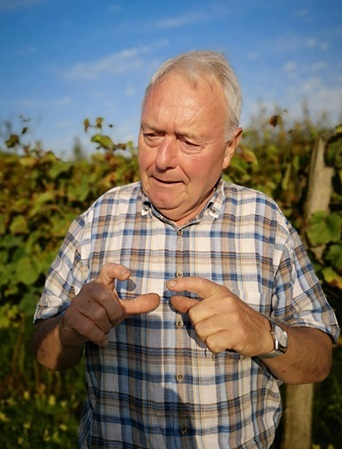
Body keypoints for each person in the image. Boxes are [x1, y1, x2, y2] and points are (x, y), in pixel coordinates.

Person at [31, 50, 340, 449]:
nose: (162, 160)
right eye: (152, 135)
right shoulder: (98, 219)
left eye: (188, 141)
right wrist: (70, 328)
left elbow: (320, 359)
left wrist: (264, 335)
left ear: (230, 147)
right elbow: (44, 350)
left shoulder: (266, 222)